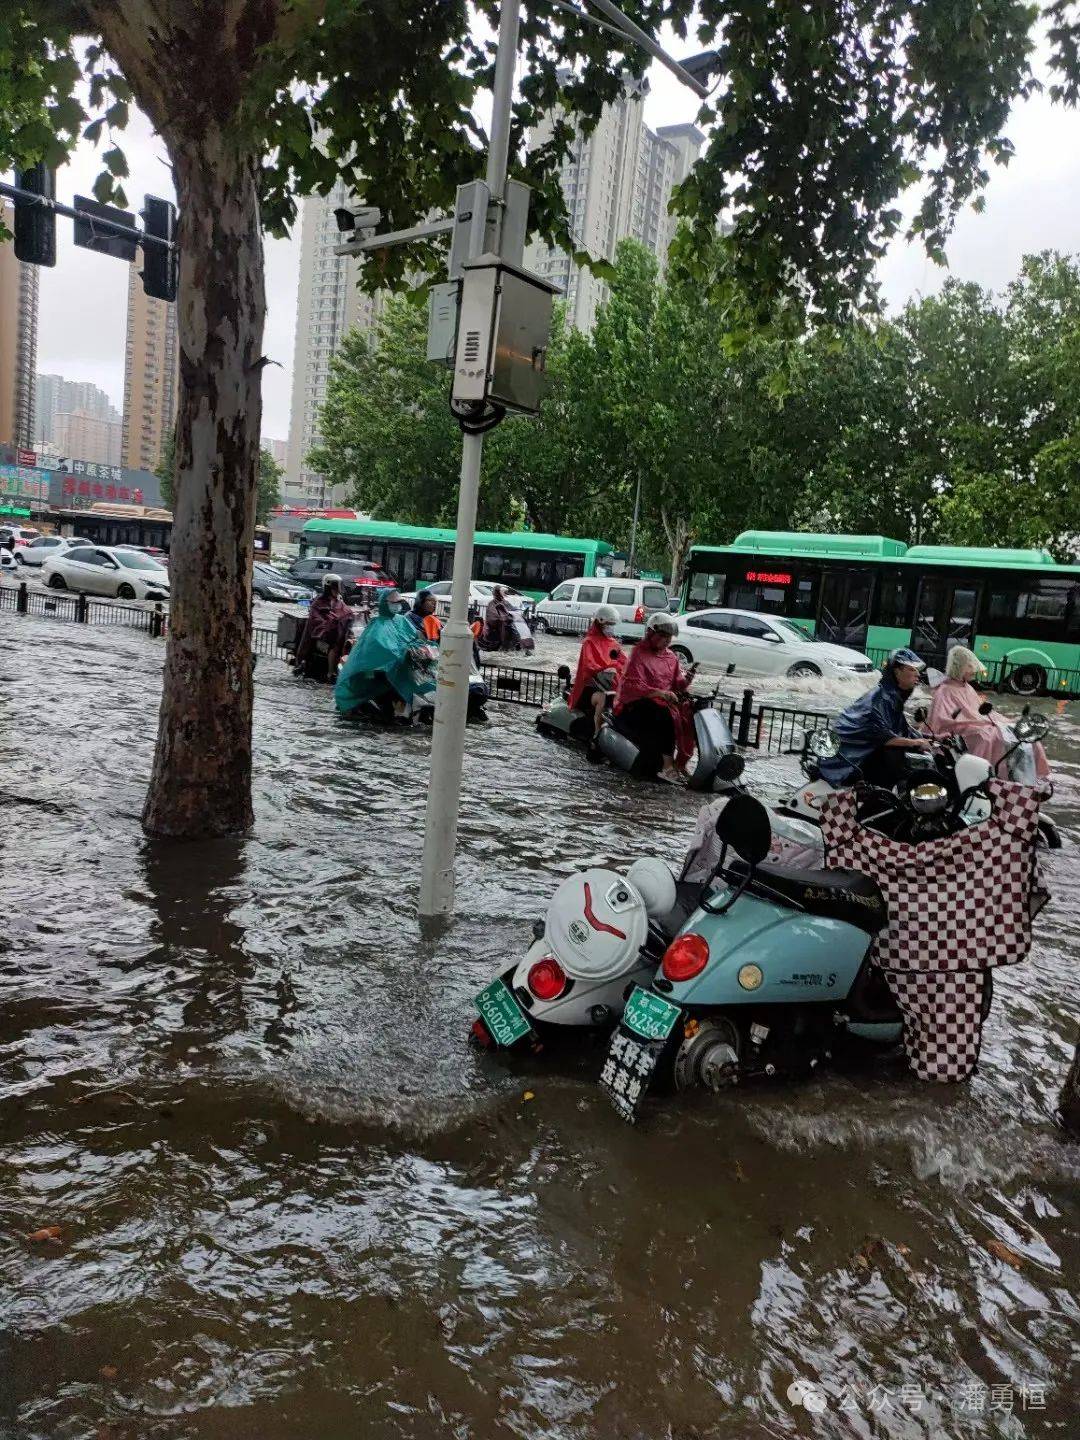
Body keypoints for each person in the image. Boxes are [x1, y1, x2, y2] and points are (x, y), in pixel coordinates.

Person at [927, 645, 1050, 778]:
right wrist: (979, 722)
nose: (974, 670)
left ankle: (1033, 775)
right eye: (969, 666)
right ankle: (984, 776)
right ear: (959, 667)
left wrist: (1006, 721)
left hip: (977, 724)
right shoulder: (944, 690)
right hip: (960, 732)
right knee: (988, 736)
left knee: (1022, 732)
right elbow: (941, 720)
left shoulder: (967, 688)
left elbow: (982, 710)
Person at [817, 647, 932, 788]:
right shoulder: (882, 699)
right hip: (848, 763)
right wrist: (916, 743)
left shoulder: (892, 696)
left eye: (917, 670)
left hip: (863, 755)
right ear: (897, 671)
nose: (917, 675)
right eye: (912, 669)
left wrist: (930, 738)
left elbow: (901, 729)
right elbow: (886, 737)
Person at [614, 612, 695, 782]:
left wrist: (687, 679)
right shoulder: (638, 653)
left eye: (669, 637)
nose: (667, 640)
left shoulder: (671, 657)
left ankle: (682, 762)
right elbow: (632, 686)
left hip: (664, 702)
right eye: (663, 636)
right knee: (663, 715)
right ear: (650, 633)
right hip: (636, 705)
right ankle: (667, 766)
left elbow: (677, 683)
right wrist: (658, 693)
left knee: (689, 715)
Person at [334, 587, 437, 718]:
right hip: (382, 670)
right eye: (393, 602)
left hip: (403, 666)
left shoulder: (402, 620)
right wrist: (399, 652)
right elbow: (379, 647)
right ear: (385, 603)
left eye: (398, 602)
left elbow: (414, 638)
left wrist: (423, 648)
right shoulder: (377, 624)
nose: (397, 605)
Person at [569, 604, 626, 739]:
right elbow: (589, 665)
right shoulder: (588, 642)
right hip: (590, 687)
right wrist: (606, 668)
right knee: (603, 698)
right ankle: (597, 735)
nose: (611, 627)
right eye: (609, 624)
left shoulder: (614, 643)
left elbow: (624, 662)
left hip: (610, 685)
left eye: (613, 624)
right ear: (600, 623)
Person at [294, 573, 353, 680]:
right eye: (335, 587)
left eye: (338, 587)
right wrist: (328, 625)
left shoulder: (339, 601)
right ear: (328, 587)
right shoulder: (318, 602)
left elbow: (347, 614)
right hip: (322, 637)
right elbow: (316, 621)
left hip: (340, 634)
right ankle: (331, 673)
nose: (337, 590)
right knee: (334, 644)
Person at [480, 585, 513, 651]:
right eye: (501, 592)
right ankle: (503, 644)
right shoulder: (492, 603)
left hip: (507, 621)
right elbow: (492, 615)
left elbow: (512, 610)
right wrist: (500, 617)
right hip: (494, 625)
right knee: (503, 624)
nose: (503, 594)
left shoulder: (506, 602)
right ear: (497, 593)